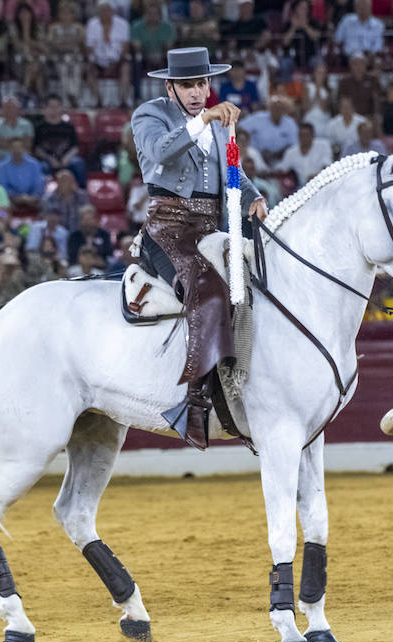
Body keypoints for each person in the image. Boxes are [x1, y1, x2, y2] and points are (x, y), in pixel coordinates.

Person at [131, 47, 267, 449]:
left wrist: (254, 196)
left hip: (213, 225)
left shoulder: (218, 123)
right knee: (208, 293)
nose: (196, 92)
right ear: (170, 86)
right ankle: (193, 402)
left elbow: (232, 169)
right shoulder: (150, 115)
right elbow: (160, 152)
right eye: (188, 85)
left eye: (202, 84)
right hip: (169, 229)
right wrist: (205, 118)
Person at [34, 95, 88, 187]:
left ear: (61, 108)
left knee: (79, 163)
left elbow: (75, 148)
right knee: (41, 167)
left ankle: (81, 194)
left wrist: (65, 159)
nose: (54, 110)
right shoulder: (39, 127)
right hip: (48, 161)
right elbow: (37, 149)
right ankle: (44, 196)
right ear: (45, 109)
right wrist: (50, 159)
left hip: (67, 160)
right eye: (51, 107)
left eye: (57, 107)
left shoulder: (69, 127)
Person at [0, 137, 46, 210]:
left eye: (19, 147)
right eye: (14, 148)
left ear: (24, 149)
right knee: (1, 206)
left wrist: (31, 197)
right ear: (9, 150)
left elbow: (38, 184)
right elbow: (2, 187)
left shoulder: (34, 164)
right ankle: (2, 220)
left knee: (45, 202)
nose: (17, 150)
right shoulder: (1, 166)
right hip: (11, 201)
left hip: (33, 200)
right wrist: (18, 198)